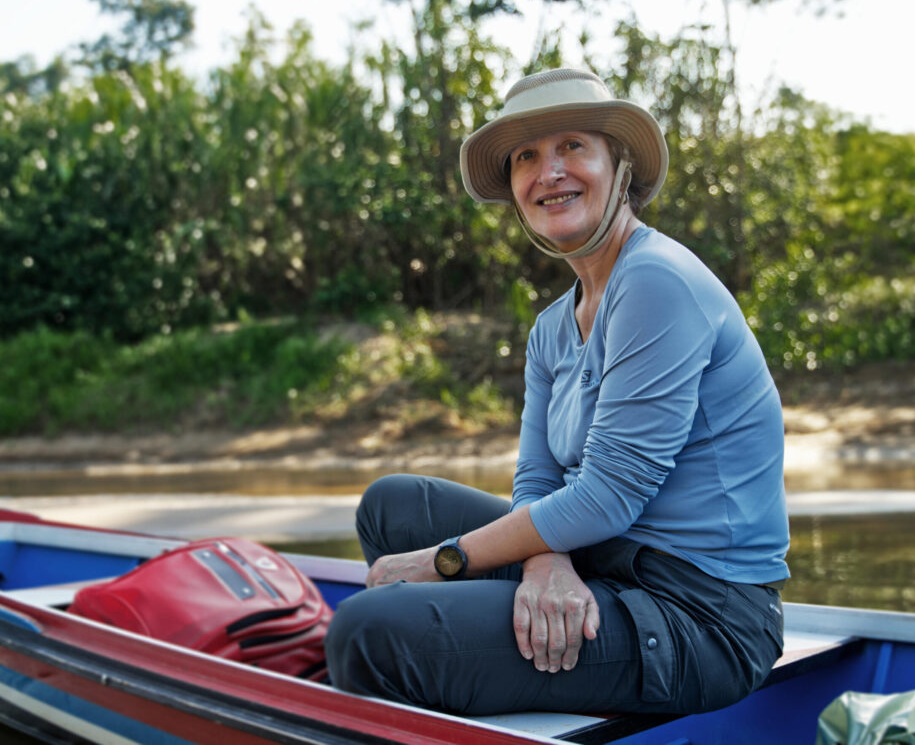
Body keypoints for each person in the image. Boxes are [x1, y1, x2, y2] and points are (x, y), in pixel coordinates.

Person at [323, 67, 790, 717]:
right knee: (391, 506)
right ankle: (472, 668)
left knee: (365, 635)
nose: (549, 171)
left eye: (572, 145)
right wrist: (546, 564)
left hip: (701, 615)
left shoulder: (657, 281)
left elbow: (610, 494)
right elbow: (538, 474)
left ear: (619, 166)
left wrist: (444, 561)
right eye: (527, 156)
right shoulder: (551, 327)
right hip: (607, 558)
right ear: (514, 191)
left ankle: (444, 666)